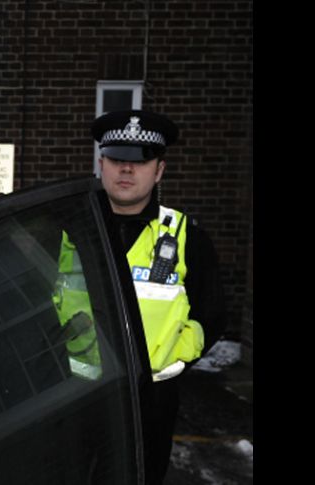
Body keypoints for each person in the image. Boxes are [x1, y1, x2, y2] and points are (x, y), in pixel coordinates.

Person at [92, 109, 227, 484]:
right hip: (80, 395)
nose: (126, 169)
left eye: (140, 160)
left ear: (159, 170)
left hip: (152, 399)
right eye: (117, 159)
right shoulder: (72, 230)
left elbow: (212, 315)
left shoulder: (187, 237)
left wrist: (173, 359)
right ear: (102, 164)